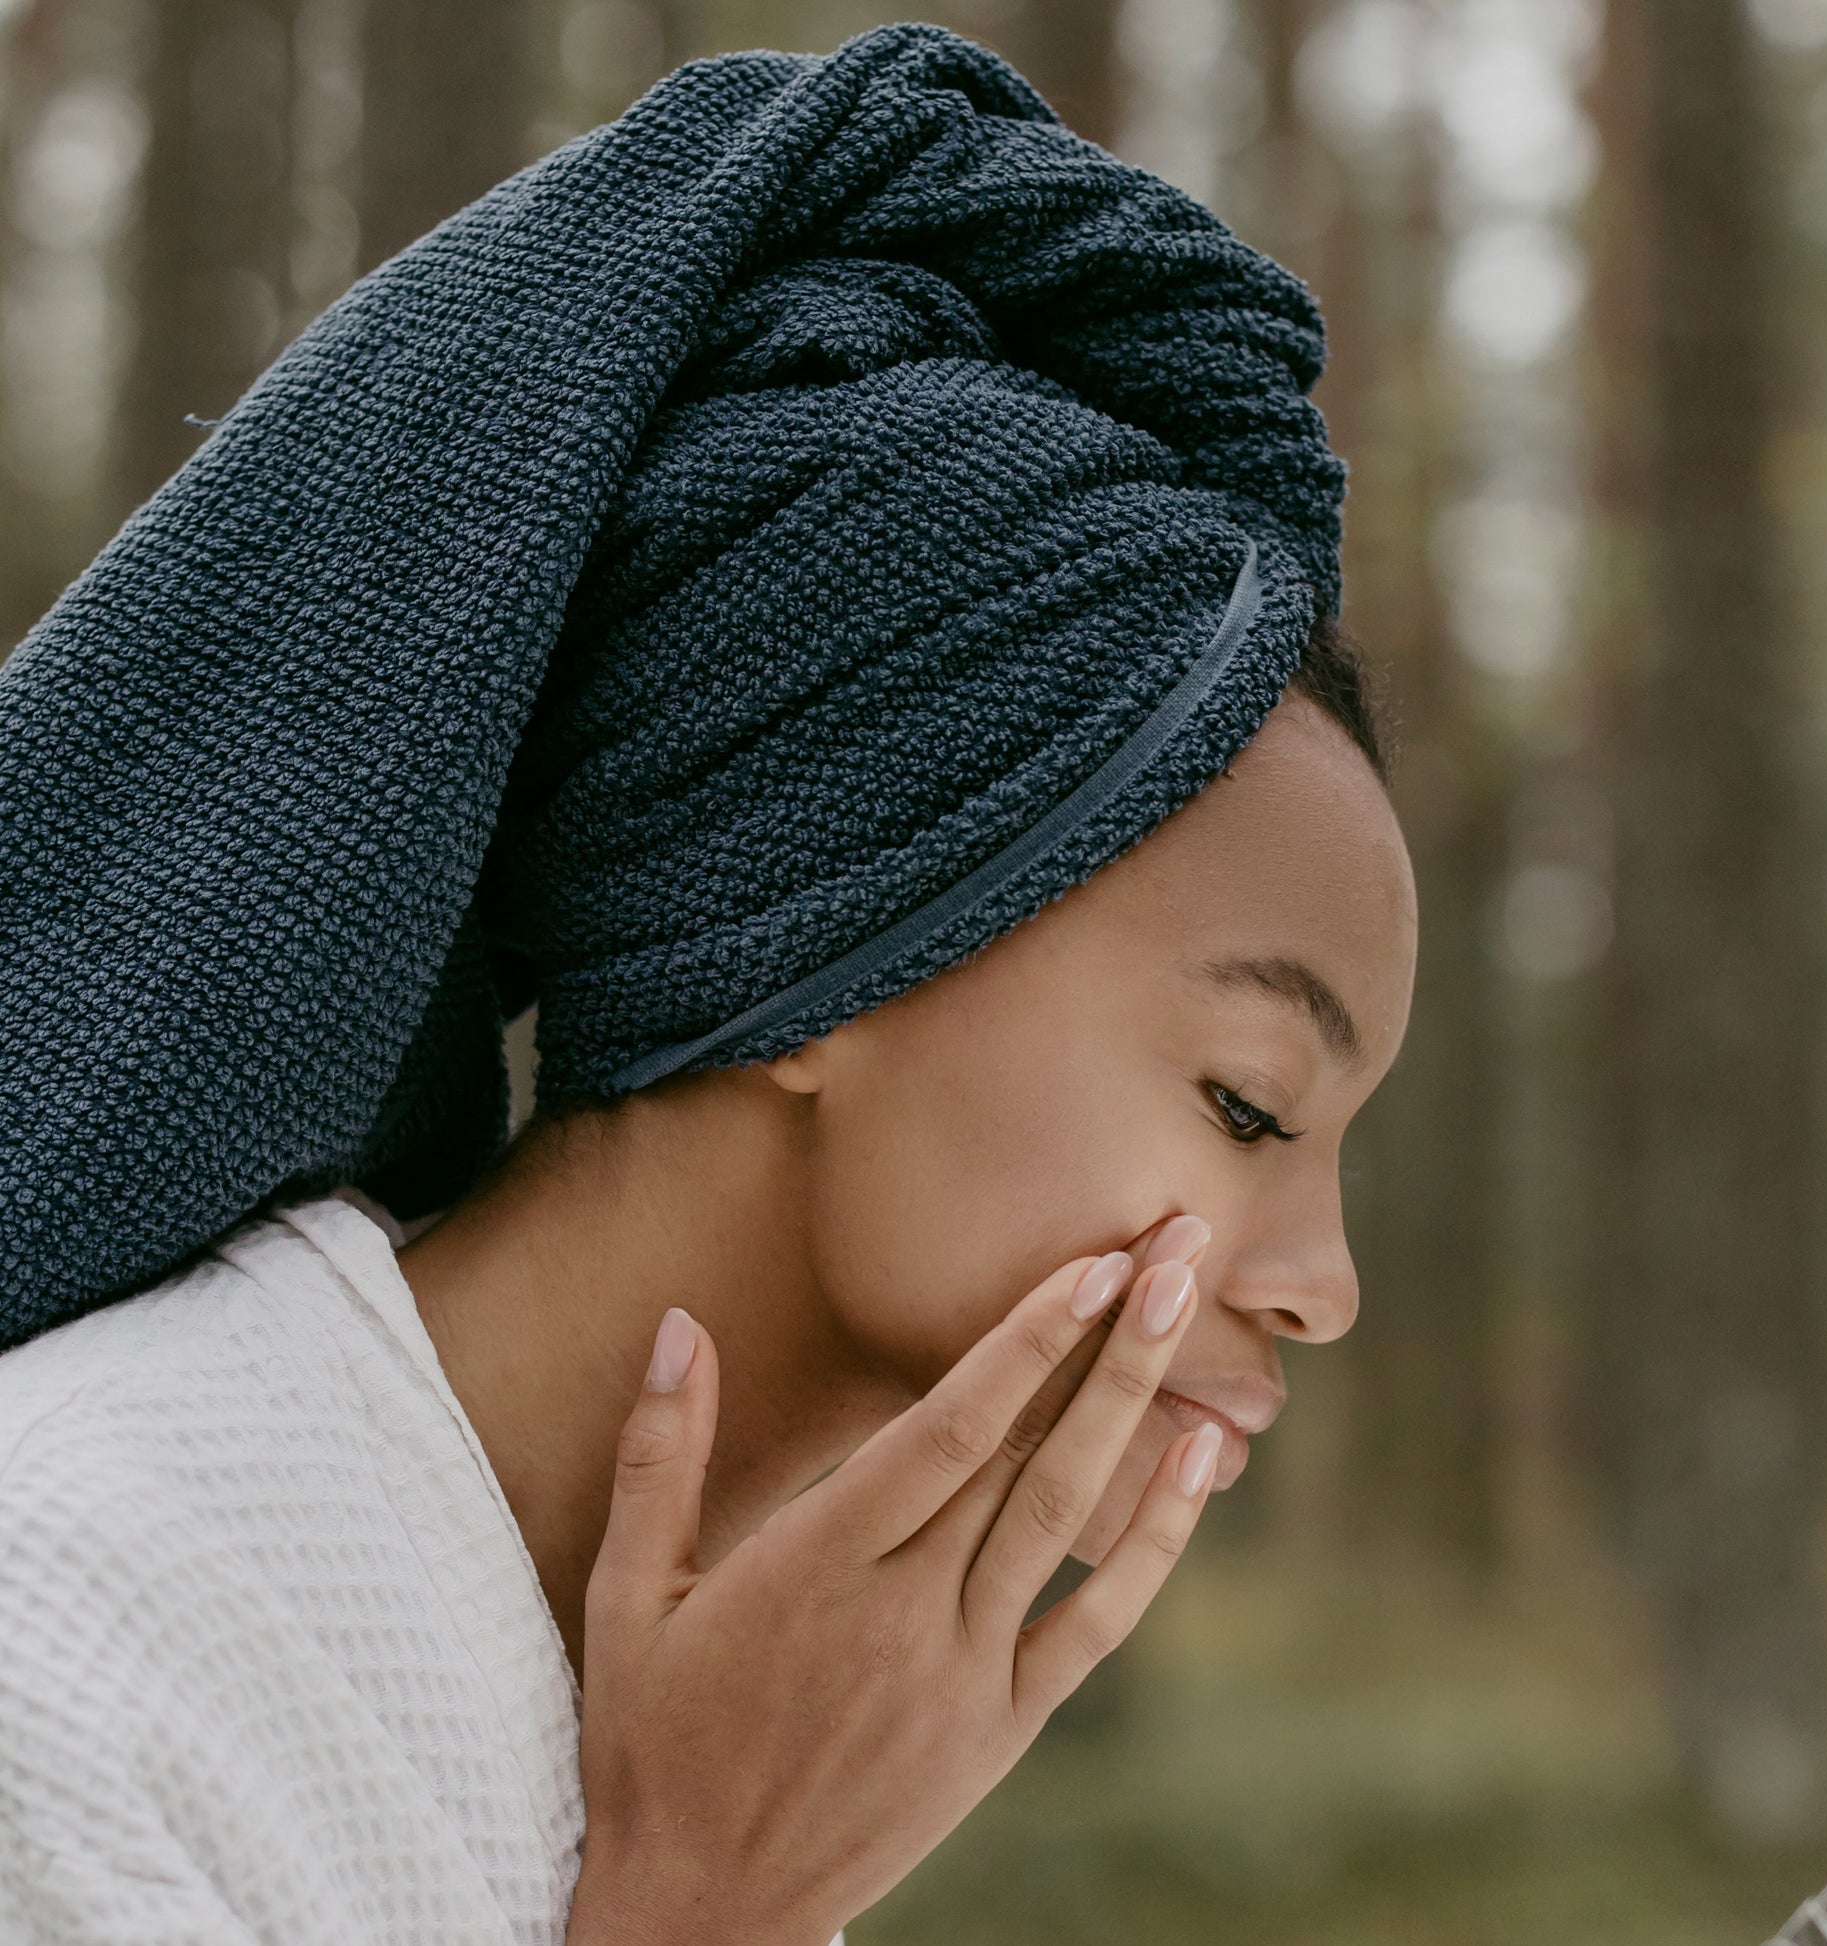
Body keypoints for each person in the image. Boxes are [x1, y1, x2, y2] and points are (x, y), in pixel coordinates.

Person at [0, 20, 1414, 1945]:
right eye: (1248, 1101)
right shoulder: (55, 1649)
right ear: (841, 927)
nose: (1318, 1284)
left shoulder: (723, 1722)